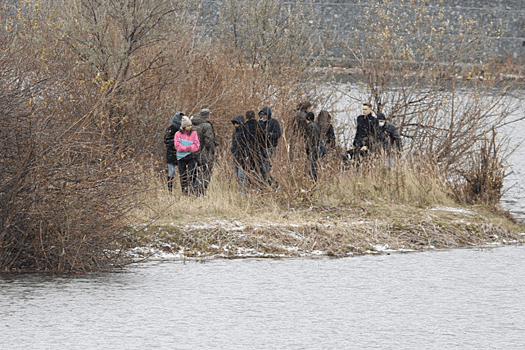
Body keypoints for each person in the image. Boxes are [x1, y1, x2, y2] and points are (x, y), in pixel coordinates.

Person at [191, 108, 217, 195]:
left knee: (193, 173)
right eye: (209, 115)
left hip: (192, 153)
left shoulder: (192, 124)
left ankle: (191, 190)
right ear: (206, 115)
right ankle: (199, 191)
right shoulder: (206, 126)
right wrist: (213, 150)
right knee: (206, 172)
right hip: (205, 153)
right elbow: (209, 140)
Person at [174, 116, 200, 195]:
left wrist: (185, 147)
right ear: (184, 126)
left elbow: (196, 146)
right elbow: (177, 146)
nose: (190, 127)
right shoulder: (177, 134)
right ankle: (184, 192)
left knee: (192, 174)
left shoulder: (194, 133)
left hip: (191, 156)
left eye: (191, 125)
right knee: (183, 175)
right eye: (188, 125)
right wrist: (189, 146)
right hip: (181, 157)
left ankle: (192, 191)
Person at [258, 106, 281, 187]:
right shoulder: (260, 123)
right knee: (261, 168)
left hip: (271, 147)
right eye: (261, 115)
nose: (263, 117)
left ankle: (273, 183)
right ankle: (268, 183)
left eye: (264, 115)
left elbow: (278, 134)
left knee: (267, 167)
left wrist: (269, 135)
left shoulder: (274, 122)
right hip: (261, 148)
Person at [244, 109, 268, 186]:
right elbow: (264, 138)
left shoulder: (244, 126)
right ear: (254, 116)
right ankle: (261, 184)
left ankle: (251, 184)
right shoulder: (259, 125)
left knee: (250, 168)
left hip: (247, 150)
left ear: (246, 117)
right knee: (260, 168)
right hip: (258, 149)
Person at [163, 112, 183, 194]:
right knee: (171, 173)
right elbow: (166, 141)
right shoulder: (170, 129)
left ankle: (184, 191)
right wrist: (176, 142)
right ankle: (169, 191)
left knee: (183, 173)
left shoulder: (184, 130)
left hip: (181, 155)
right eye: (180, 119)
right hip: (171, 155)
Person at [231, 114, 249, 190]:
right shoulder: (235, 133)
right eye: (234, 123)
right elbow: (233, 144)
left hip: (243, 156)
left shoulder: (245, 132)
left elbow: (247, 144)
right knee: (237, 175)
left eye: (237, 123)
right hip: (236, 156)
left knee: (241, 175)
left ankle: (243, 192)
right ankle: (241, 191)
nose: (235, 125)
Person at [305, 112, 321, 181]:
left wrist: (308, 148)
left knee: (311, 164)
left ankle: (312, 179)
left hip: (311, 148)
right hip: (316, 147)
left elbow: (308, 138)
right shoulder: (316, 126)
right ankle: (314, 178)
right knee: (314, 164)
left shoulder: (309, 126)